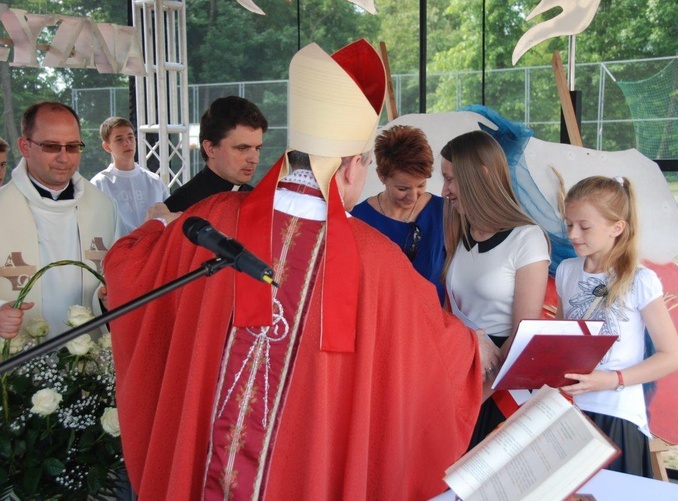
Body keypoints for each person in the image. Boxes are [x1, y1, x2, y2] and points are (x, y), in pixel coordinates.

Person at [105, 40, 500, 500]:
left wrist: (159, 221)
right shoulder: (378, 258)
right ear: (353, 166)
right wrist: (473, 343)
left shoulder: (211, 219)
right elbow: (434, 349)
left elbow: (126, 265)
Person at [556, 175, 678, 477]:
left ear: (617, 227)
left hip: (617, 415)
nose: (573, 234)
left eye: (584, 226)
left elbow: (672, 356)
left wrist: (613, 379)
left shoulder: (641, 280)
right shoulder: (565, 270)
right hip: (570, 412)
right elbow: (563, 338)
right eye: (569, 224)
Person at [441, 130, 550, 449]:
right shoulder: (459, 233)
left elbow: (524, 333)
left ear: (482, 175)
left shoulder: (527, 238)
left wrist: (473, 397)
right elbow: (450, 315)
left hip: (501, 387)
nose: (444, 190)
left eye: (451, 179)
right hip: (461, 371)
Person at [0, 101, 120, 339]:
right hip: (18, 363)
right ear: (25, 146)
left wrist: (108, 296)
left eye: (73, 147)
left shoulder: (105, 207)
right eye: (51, 146)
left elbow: (116, 274)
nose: (64, 158)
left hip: (90, 361)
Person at [351, 125, 446, 303]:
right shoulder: (357, 218)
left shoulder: (444, 212)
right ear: (381, 176)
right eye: (402, 188)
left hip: (436, 323)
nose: (412, 196)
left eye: (420, 186)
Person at [162, 95, 268, 212]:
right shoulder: (181, 206)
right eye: (242, 148)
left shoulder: (258, 200)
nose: (255, 159)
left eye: (258, 148)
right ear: (210, 148)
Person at [91, 116, 169, 233]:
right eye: (119, 139)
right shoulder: (99, 184)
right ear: (107, 146)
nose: (127, 143)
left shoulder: (154, 181)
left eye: (130, 137)